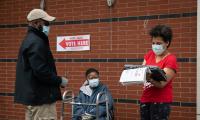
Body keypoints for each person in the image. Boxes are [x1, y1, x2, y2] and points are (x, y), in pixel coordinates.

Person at [14, 9, 69, 120]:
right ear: (36, 23)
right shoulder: (37, 42)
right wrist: (59, 80)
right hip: (42, 99)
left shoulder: (29, 40)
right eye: (46, 23)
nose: (48, 26)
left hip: (33, 97)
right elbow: (41, 71)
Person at [140, 24, 178, 120]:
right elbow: (141, 72)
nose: (155, 46)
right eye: (153, 43)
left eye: (158, 43)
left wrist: (149, 78)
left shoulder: (171, 59)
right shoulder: (149, 55)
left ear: (167, 43)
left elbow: (162, 83)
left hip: (161, 101)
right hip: (146, 98)